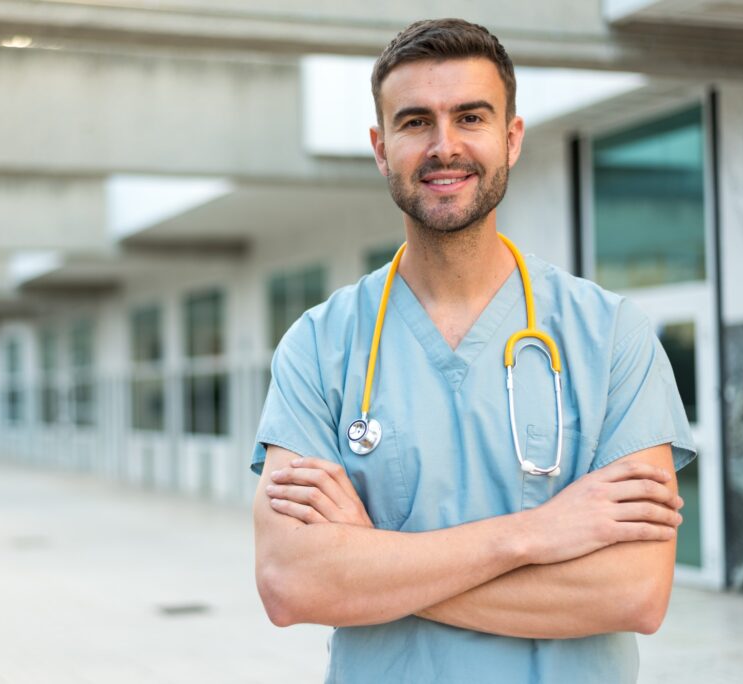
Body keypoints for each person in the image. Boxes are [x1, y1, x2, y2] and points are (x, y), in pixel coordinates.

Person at [251, 17, 696, 684]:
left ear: (511, 138)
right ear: (380, 147)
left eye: (471, 117)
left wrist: (374, 562)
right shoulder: (319, 346)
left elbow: (632, 590)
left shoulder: (609, 335)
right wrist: (535, 535)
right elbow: (293, 583)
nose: (444, 146)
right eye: (414, 123)